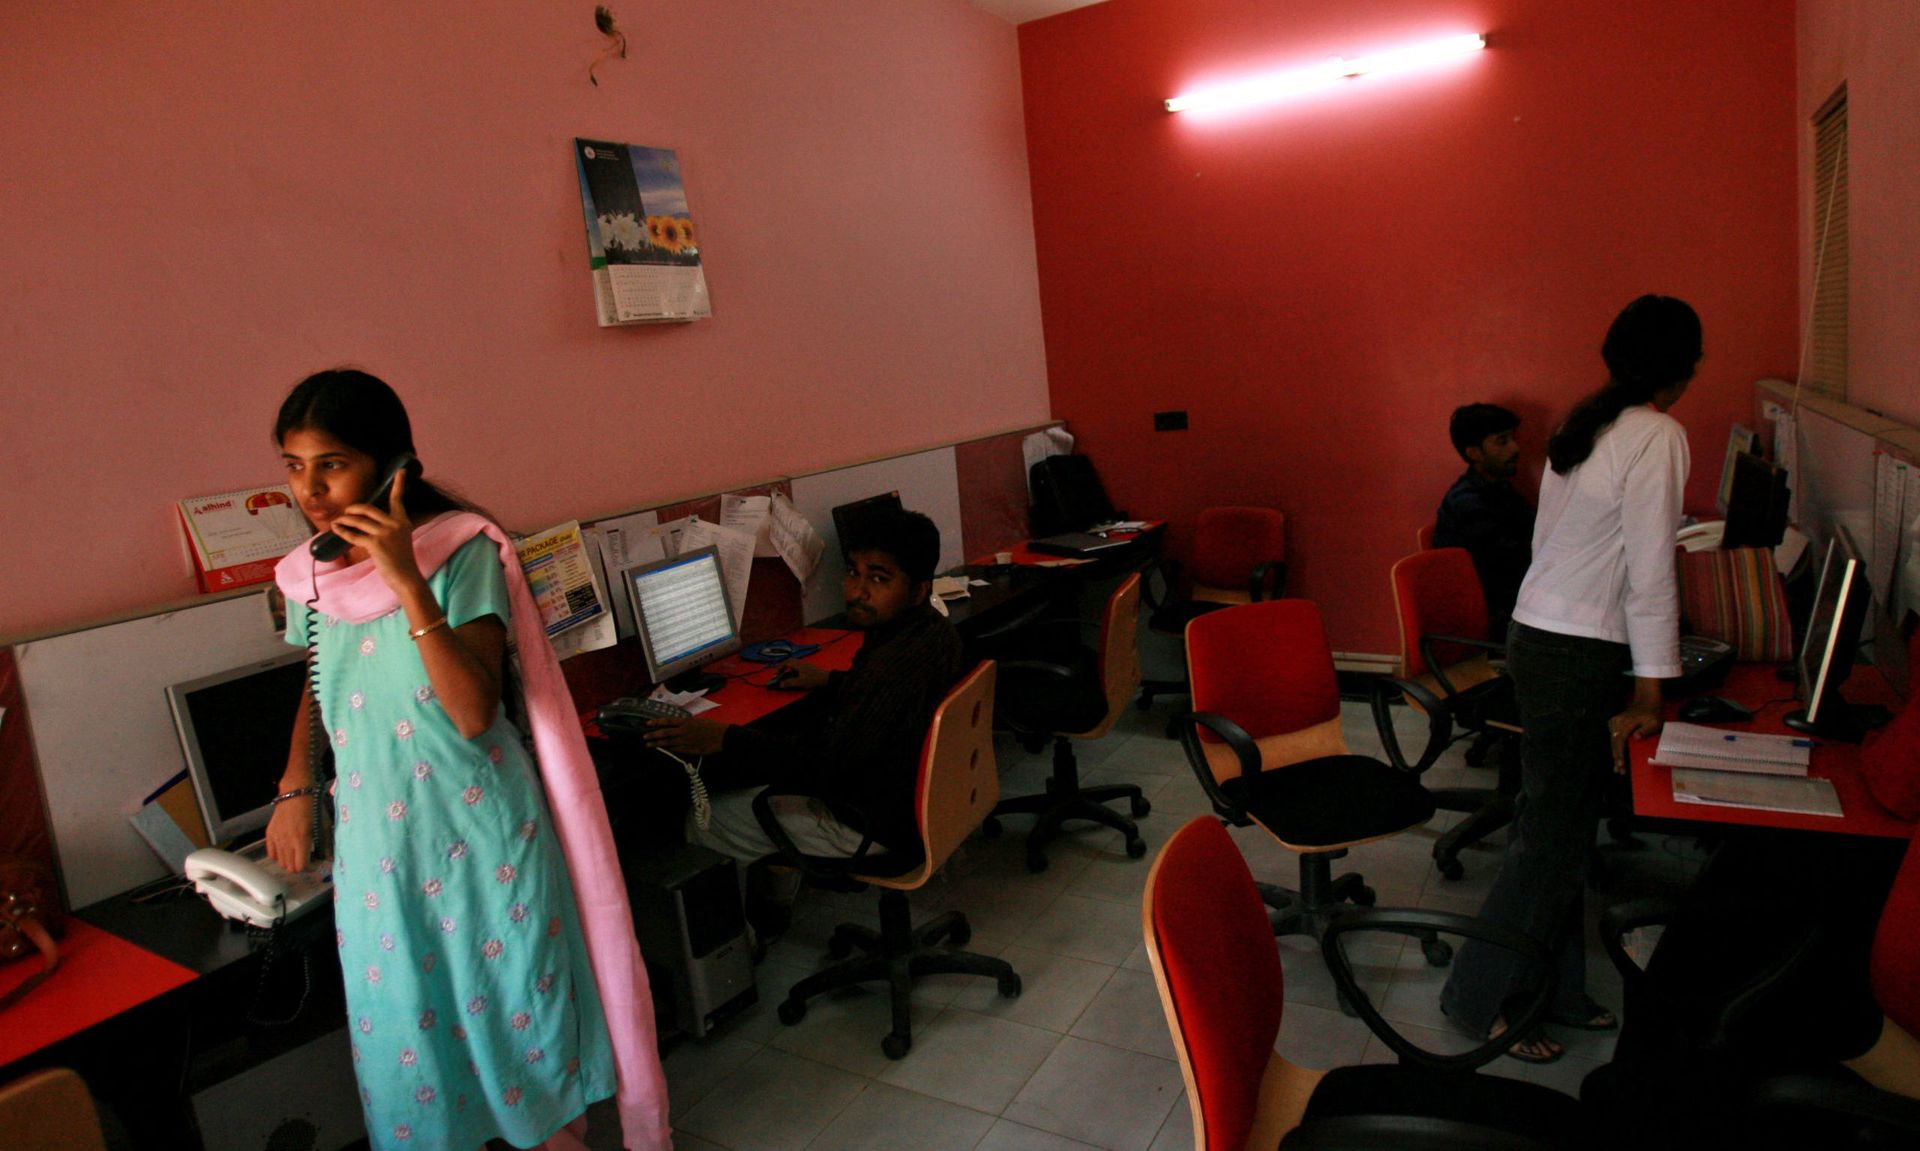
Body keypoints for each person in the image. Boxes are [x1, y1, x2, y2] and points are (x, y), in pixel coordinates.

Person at [265, 369, 669, 1151]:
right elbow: (316, 685)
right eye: (292, 465)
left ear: (394, 465)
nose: (310, 489)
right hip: (381, 848)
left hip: (477, 837)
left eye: (332, 462)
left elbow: (473, 708)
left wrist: (407, 582)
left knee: (518, 1016)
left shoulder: (459, 550)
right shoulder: (308, 574)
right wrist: (295, 786)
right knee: (408, 1036)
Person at [1439, 296, 1700, 1064]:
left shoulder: (1588, 425)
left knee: (1559, 831)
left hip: (1540, 635)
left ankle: (1558, 991)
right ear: (1683, 369)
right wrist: (1652, 689)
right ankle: (1476, 995)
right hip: (1573, 651)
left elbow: (1568, 546)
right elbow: (1652, 569)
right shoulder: (1655, 433)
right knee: (1549, 841)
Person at [643, 508, 966, 928]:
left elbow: (826, 767)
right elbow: (887, 704)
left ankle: (757, 933)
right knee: (766, 764)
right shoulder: (930, 634)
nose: (857, 591)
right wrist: (831, 681)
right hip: (920, 803)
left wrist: (723, 738)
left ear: (919, 589)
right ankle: (774, 908)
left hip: (874, 823)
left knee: (707, 818)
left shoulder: (890, 664)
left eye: (879, 579)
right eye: (853, 572)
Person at [1433, 402, 1535, 639]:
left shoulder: (1500, 490)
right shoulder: (1466, 501)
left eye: (1512, 438)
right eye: (1502, 441)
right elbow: (1507, 561)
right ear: (1474, 453)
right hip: (1484, 619)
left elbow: (1536, 527)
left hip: (1502, 606)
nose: (1515, 448)